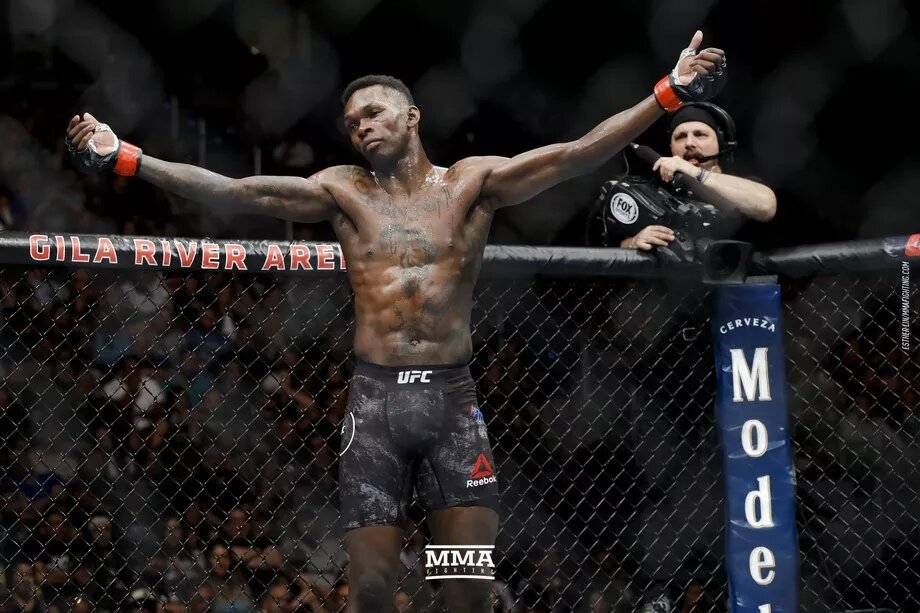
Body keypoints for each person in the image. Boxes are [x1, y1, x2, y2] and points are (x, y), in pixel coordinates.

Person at [64, 31, 726, 613]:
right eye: (352, 122)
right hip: (375, 403)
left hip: (451, 403)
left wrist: (666, 93)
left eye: (373, 113)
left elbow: (576, 153)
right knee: (373, 588)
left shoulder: (471, 183)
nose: (361, 127)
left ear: (412, 116)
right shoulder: (343, 189)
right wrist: (128, 156)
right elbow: (237, 191)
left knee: (467, 589)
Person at [619, 101, 776, 250]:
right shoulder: (655, 193)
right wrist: (632, 243)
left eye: (700, 134)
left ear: (720, 143)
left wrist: (695, 173)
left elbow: (766, 205)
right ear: (671, 147)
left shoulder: (740, 185)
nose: (689, 143)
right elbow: (615, 242)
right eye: (680, 137)